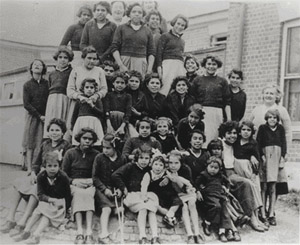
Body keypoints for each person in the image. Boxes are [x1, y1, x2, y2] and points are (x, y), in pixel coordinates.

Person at [0, 119, 70, 236]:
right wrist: (33, 172)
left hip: (54, 179)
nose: (54, 133)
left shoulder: (66, 146)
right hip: (40, 174)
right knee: (18, 183)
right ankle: (10, 218)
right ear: (48, 132)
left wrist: (59, 160)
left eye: (57, 130)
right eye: (52, 130)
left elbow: (65, 168)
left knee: (36, 188)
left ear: (62, 132)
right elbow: (36, 162)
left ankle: (23, 222)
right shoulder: (45, 144)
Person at [12, 152, 71, 244]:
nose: (52, 169)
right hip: (48, 201)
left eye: (55, 166)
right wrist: (50, 200)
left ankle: (36, 235)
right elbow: (40, 195)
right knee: (38, 210)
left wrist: (66, 210)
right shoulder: (41, 176)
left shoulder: (63, 177)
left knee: (46, 215)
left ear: (59, 166)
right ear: (44, 166)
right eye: (49, 166)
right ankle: (26, 231)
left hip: (59, 204)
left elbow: (67, 195)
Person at [218, 121, 265, 232]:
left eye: (234, 133)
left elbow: (244, 151)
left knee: (251, 184)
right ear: (224, 134)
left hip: (234, 173)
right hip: (225, 176)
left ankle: (256, 218)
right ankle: (253, 219)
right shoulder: (220, 144)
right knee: (247, 183)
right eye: (229, 133)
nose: (232, 136)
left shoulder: (234, 144)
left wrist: (252, 156)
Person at [112, 144, 160, 244]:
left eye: (147, 158)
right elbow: (116, 175)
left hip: (145, 195)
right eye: (141, 158)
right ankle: (142, 236)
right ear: (137, 158)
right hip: (132, 195)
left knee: (151, 210)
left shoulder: (150, 170)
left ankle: (155, 236)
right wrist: (123, 188)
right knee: (143, 208)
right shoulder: (130, 166)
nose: (144, 161)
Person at [249, 84, 291, 198]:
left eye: (271, 93)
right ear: (263, 95)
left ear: (277, 96)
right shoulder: (257, 110)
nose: (268, 95)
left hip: (276, 151)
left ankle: (271, 209)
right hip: (260, 150)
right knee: (261, 179)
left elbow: (287, 131)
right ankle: (261, 208)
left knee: (274, 180)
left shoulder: (281, 110)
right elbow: (249, 127)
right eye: (266, 93)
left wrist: (285, 153)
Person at [62, 128, 100, 244]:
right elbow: (63, 173)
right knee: (78, 194)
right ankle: (79, 231)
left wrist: (92, 181)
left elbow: (99, 173)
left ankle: (88, 232)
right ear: (79, 139)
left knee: (88, 194)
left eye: (90, 139)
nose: (87, 141)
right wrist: (73, 181)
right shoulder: (70, 153)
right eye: (85, 138)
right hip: (74, 183)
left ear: (93, 141)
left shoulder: (97, 155)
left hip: (89, 183)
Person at [195, 157, 241, 242]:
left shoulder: (220, 176)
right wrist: (198, 191)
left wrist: (227, 188)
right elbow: (196, 184)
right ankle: (207, 222)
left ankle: (224, 232)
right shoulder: (204, 175)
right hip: (209, 196)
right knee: (217, 206)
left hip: (220, 195)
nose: (213, 170)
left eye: (216, 168)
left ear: (219, 169)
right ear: (207, 166)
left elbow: (227, 182)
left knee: (224, 208)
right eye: (211, 167)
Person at [233, 120, 268, 230]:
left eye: (248, 130)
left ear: (252, 132)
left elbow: (257, 159)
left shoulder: (253, 143)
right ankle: (252, 218)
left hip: (250, 171)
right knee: (248, 191)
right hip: (238, 169)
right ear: (239, 131)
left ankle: (256, 218)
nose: (246, 132)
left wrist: (252, 159)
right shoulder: (236, 142)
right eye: (243, 130)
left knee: (254, 191)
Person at [66, 46, 107, 140]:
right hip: (79, 105)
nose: (92, 61)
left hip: (95, 105)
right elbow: (70, 90)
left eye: (94, 59)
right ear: (83, 58)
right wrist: (80, 97)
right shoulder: (76, 70)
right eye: (89, 58)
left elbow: (104, 89)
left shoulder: (99, 71)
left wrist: (96, 96)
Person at [92, 133, 126, 243]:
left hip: (116, 190)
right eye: (103, 147)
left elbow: (125, 176)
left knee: (120, 210)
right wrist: (104, 189)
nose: (105, 150)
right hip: (102, 189)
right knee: (106, 209)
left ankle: (116, 233)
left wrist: (120, 189)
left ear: (115, 147)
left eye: (108, 148)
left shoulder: (122, 159)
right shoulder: (99, 158)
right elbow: (95, 177)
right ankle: (103, 233)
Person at [191, 55, 231, 147]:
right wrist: (196, 112)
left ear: (218, 66)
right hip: (202, 112)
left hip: (217, 112)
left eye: (214, 64)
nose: (211, 66)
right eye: (209, 64)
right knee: (202, 137)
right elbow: (192, 98)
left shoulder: (222, 81)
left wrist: (229, 119)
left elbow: (227, 102)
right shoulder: (197, 80)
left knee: (215, 139)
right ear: (204, 65)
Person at [256, 109, 287, 226]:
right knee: (263, 186)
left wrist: (283, 157)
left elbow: (284, 143)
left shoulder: (280, 129)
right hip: (265, 158)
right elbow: (258, 143)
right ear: (266, 119)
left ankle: (271, 213)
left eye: (274, 117)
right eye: (269, 117)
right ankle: (262, 213)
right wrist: (261, 156)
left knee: (273, 187)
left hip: (276, 157)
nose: (272, 120)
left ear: (277, 119)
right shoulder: (262, 128)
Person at [167, 150, 205, 244]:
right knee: (184, 207)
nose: (173, 165)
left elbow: (190, 183)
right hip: (177, 195)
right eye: (170, 163)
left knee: (192, 204)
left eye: (176, 163)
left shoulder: (185, 169)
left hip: (188, 192)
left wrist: (193, 190)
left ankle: (197, 233)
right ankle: (189, 234)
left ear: (181, 163)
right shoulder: (167, 172)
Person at [111, 2, 155, 78]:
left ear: (143, 15)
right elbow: (114, 48)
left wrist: (149, 69)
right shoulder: (121, 28)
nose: (137, 14)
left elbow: (151, 51)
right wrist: (121, 65)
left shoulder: (147, 30)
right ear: (129, 14)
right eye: (134, 12)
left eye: (139, 12)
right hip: (124, 62)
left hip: (141, 63)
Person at [141, 152, 182, 228]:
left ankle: (170, 214)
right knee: (157, 206)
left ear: (164, 167)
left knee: (177, 201)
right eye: (156, 164)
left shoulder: (165, 173)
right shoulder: (148, 174)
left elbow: (173, 179)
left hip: (168, 195)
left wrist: (169, 177)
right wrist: (144, 196)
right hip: (157, 196)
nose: (158, 167)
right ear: (151, 165)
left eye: (161, 165)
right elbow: (144, 186)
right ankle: (168, 216)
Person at [22, 59, 49, 172]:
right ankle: (29, 168)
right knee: (30, 142)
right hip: (33, 117)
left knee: (42, 142)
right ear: (31, 68)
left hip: (46, 117)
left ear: (43, 68)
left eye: (40, 65)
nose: (37, 66)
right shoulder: (27, 85)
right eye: (35, 65)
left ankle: (39, 167)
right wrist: (38, 116)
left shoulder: (47, 84)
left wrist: (45, 115)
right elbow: (26, 104)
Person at [44, 46, 74, 138]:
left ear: (69, 60)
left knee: (62, 120)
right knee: (51, 120)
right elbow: (49, 88)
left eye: (65, 58)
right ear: (56, 58)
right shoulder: (52, 74)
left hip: (64, 98)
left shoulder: (71, 72)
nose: (62, 60)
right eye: (60, 57)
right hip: (52, 99)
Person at [157, 14, 188, 95]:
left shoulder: (182, 41)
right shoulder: (165, 36)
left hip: (179, 65)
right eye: (178, 24)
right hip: (168, 65)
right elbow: (159, 53)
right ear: (174, 23)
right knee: (165, 88)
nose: (180, 26)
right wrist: (159, 68)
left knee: (179, 88)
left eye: (182, 25)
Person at [71, 78, 104, 147]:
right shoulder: (80, 100)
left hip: (94, 122)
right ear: (83, 89)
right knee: (80, 140)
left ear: (95, 89)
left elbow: (101, 113)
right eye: (87, 87)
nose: (89, 89)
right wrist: (72, 127)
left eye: (91, 87)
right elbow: (74, 115)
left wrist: (92, 105)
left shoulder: (97, 100)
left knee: (96, 141)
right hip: (81, 122)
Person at [104, 71, 135, 138]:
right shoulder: (109, 95)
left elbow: (128, 112)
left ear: (126, 84)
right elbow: (106, 110)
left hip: (122, 121)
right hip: (110, 120)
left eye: (122, 83)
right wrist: (109, 125)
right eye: (117, 82)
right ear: (113, 83)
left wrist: (122, 126)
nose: (120, 85)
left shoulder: (128, 96)